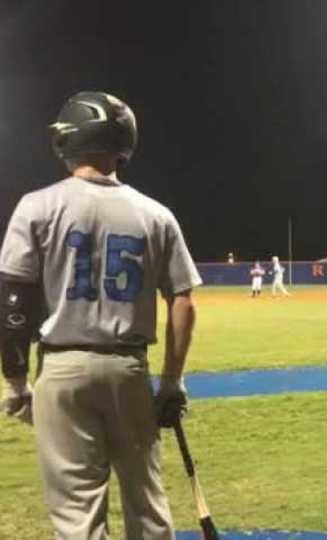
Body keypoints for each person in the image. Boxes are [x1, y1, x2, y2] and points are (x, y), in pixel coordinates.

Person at [0, 91, 202, 538]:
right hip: (128, 369)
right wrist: (172, 379)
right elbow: (183, 299)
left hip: (63, 369)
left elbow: (14, 305)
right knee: (148, 507)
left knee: (77, 517)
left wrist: (15, 380)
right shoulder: (156, 214)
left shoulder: (38, 206)